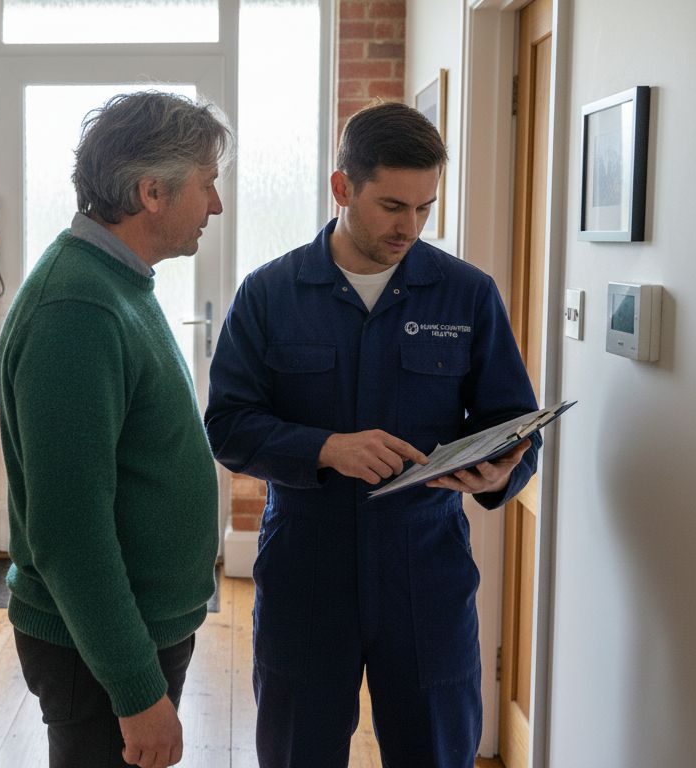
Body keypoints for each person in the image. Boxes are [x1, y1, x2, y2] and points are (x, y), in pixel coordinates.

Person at [204, 101, 541, 767]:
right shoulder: (270, 294)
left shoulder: (466, 294)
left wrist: (502, 471)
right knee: (299, 750)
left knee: (438, 751)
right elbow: (228, 426)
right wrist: (326, 448)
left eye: (424, 208)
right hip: (307, 561)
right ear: (342, 188)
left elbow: (513, 424)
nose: (409, 227)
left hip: (427, 568)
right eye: (392, 206)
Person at [0, 91, 232, 768]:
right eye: (207, 185)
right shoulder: (78, 307)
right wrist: (135, 691)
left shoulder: (118, 282)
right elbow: (70, 531)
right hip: (95, 650)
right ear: (152, 192)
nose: (215, 206)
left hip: (127, 631)